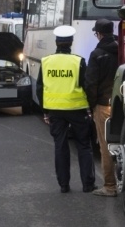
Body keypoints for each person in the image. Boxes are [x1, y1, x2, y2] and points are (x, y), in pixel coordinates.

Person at [37, 25, 95, 193]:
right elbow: (86, 86)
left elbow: (40, 88)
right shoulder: (78, 61)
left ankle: (64, 185)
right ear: (71, 42)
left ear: (56, 42)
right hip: (77, 109)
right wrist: (90, 108)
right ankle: (88, 184)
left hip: (55, 110)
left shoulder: (46, 62)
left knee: (60, 146)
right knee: (84, 146)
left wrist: (45, 111)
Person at [85, 19, 119, 197]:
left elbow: (91, 84)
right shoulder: (122, 50)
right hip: (122, 106)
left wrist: (91, 107)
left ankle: (110, 185)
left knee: (105, 147)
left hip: (103, 105)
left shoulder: (96, 54)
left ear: (98, 34)